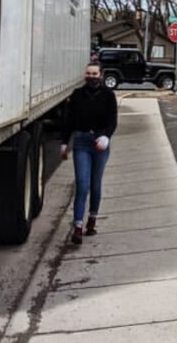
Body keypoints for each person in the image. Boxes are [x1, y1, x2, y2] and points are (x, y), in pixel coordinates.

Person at [60, 61, 117, 245]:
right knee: (82, 184)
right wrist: (64, 142)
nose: (91, 77)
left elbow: (112, 121)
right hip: (82, 142)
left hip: (100, 142)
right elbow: (68, 120)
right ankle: (77, 226)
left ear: (101, 75)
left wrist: (106, 136)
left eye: (95, 74)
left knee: (95, 183)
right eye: (88, 73)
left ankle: (92, 218)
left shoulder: (108, 96)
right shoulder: (77, 95)